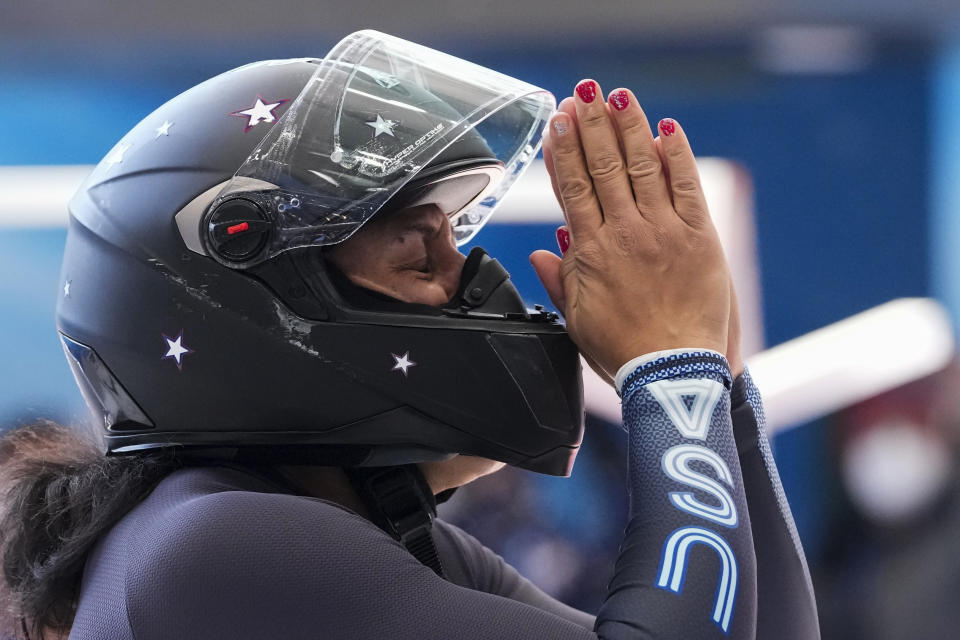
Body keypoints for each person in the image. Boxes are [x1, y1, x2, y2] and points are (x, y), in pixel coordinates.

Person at [0, 31, 818, 639]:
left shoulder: (369, 542)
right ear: (249, 293)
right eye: (420, 250)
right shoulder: (213, 545)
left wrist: (716, 381)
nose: (479, 282)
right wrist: (673, 375)